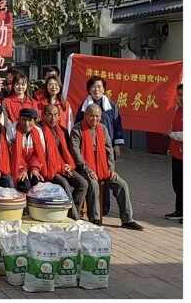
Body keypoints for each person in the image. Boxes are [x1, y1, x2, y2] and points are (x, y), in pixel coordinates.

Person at [70, 104, 143, 230]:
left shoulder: (103, 129)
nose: (95, 119)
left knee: (122, 184)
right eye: (92, 116)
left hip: (103, 168)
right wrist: (88, 169)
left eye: (97, 116)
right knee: (93, 184)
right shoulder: (77, 129)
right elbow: (76, 153)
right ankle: (95, 219)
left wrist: (111, 169)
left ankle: (127, 219)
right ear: (85, 115)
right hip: (83, 169)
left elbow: (109, 151)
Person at [75, 75, 125, 215]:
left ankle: (104, 207)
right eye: (93, 87)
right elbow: (77, 126)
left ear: (104, 89)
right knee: (91, 179)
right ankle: (91, 208)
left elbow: (117, 125)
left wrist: (116, 144)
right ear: (89, 89)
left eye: (99, 87)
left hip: (106, 147)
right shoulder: (84, 106)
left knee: (106, 176)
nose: (96, 89)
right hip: (88, 150)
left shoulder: (112, 106)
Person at [40, 104, 89, 220]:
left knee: (83, 183)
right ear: (44, 116)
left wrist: (68, 166)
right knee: (64, 183)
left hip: (63, 167)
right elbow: (43, 156)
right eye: (49, 115)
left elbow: (67, 153)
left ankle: (72, 213)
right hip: (49, 169)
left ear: (59, 116)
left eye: (55, 115)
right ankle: (75, 218)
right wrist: (61, 167)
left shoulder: (63, 131)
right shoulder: (40, 131)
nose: (53, 118)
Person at [8, 108, 45, 192]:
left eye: (29, 120)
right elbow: (11, 153)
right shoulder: (12, 130)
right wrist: (22, 170)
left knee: (37, 182)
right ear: (19, 119)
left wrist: (34, 169)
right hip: (17, 166)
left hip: (32, 165)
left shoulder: (38, 131)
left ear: (35, 121)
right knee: (24, 185)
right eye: (24, 120)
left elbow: (39, 154)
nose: (26, 124)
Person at [166, 84, 183, 222]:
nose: (181, 98)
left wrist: (170, 134)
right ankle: (179, 210)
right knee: (177, 183)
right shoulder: (177, 110)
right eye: (179, 94)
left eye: (183, 95)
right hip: (177, 153)